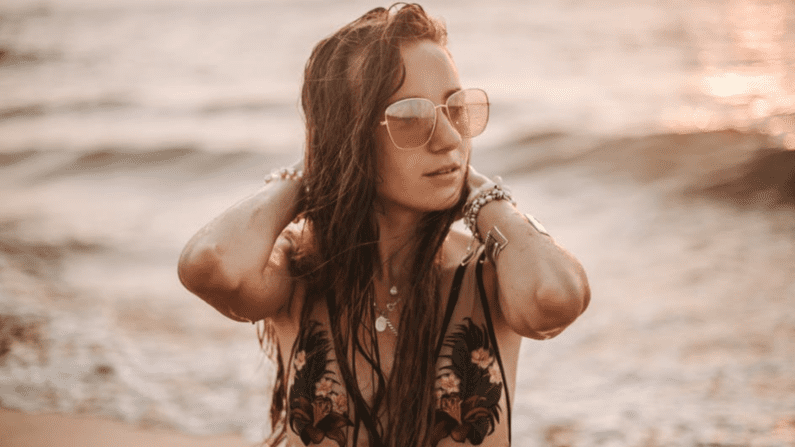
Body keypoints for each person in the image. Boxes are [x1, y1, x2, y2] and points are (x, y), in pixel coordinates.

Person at [177, 3, 590, 446]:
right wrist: (307, 176)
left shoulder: (485, 279)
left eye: (455, 109)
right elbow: (211, 263)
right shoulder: (298, 274)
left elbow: (557, 296)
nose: (450, 139)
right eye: (410, 117)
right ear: (351, 137)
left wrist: (485, 196)